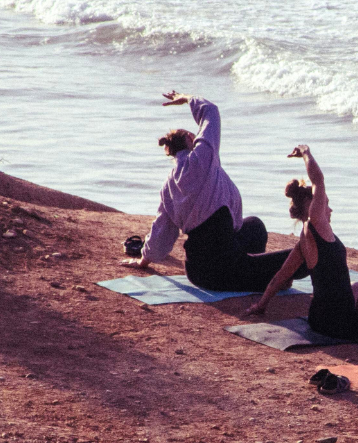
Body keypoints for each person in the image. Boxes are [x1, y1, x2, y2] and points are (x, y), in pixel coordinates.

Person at [119, 91, 292, 292]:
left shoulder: (168, 186)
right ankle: (263, 277)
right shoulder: (203, 157)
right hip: (221, 270)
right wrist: (188, 98)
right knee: (302, 255)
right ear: (191, 138)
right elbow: (211, 112)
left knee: (254, 226)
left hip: (198, 272)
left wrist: (143, 261)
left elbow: (161, 230)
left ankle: (259, 273)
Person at [245, 144, 358, 341]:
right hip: (340, 322)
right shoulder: (317, 224)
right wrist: (306, 154)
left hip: (319, 319)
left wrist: (261, 306)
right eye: (326, 204)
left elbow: (280, 277)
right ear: (314, 207)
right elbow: (318, 180)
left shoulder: (303, 241)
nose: (330, 209)